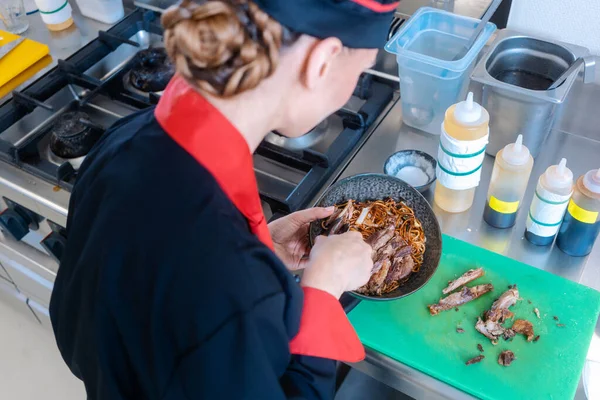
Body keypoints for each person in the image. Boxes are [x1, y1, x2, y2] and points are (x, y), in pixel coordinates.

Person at [49, 0, 399, 398]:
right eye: (359, 71)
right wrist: (321, 292)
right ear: (322, 62)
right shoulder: (229, 282)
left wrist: (259, 249)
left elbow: (81, 331)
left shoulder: (125, 140)